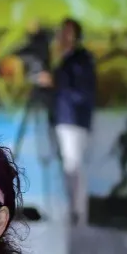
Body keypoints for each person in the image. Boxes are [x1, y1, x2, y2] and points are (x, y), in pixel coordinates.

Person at [36, 18, 97, 224]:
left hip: (74, 120)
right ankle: (68, 213)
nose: (62, 36)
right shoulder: (64, 60)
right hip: (61, 118)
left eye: (67, 33)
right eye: (62, 32)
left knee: (74, 166)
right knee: (65, 168)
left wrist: (55, 82)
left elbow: (82, 92)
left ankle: (78, 215)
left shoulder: (82, 59)